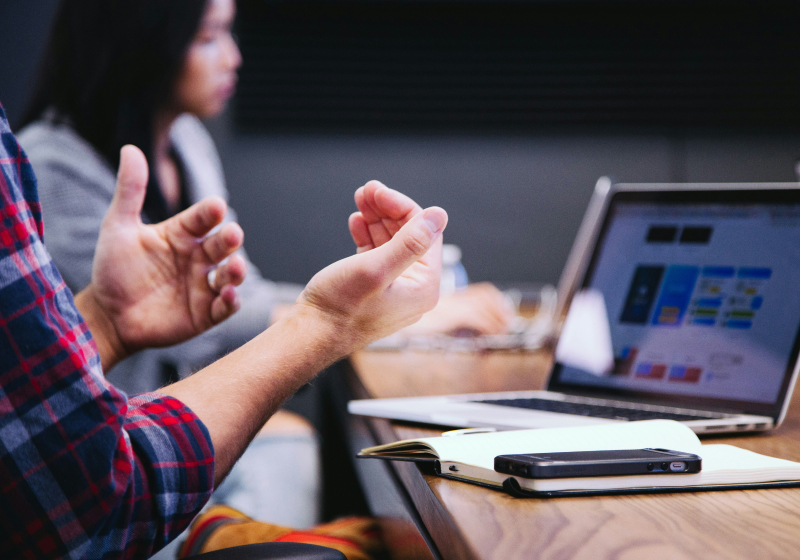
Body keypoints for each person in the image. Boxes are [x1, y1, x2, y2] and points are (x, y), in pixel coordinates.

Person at [0, 101, 449, 558]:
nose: (233, 55)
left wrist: (104, 320)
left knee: (291, 443)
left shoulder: (188, 139)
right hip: (117, 511)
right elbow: (93, 495)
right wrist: (328, 323)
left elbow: (19, 399)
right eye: (210, 35)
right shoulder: (49, 161)